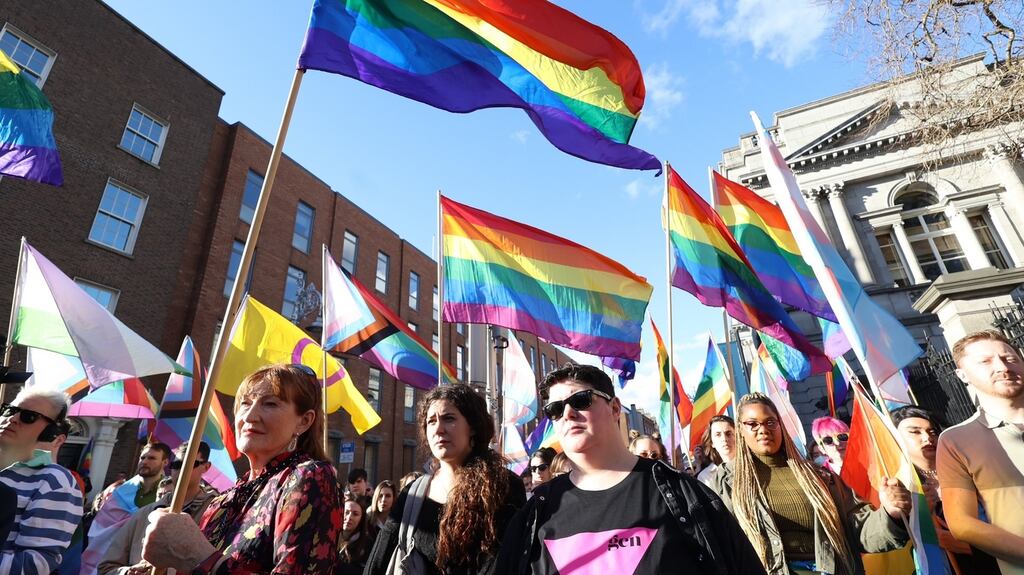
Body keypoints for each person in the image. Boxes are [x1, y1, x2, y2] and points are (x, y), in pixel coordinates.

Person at [497, 363, 764, 575]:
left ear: (615, 408)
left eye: (580, 400)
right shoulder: (535, 515)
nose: (567, 414)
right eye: (555, 409)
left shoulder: (685, 497)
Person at [141, 364, 342, 574]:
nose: (250, 416)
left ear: (304, 421)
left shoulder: (308, 477)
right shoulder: (224, 499)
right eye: (245, 403)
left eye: (270, 404)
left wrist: (200, 555)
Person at [713, 392, 911, 575]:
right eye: (752, 424)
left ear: (781, 426)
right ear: (740, 429)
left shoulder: (820, 476)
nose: (763, 430)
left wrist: (890, 513)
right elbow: (721, 545)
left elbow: (858, 527)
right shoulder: (728, 481)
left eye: (770, 422)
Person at [365, 383, 527, 575]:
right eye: (431, 421)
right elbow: (376, 563)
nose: (438, 429)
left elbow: (504, 563)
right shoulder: (412, 494)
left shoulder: (505, 486)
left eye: (449, 418)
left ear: (473, 427)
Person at [937, 330, 1024, 574]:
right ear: (962, 375)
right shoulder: (956, 440)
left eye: (1010, 358)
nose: (1002, 367)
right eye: (985, 361)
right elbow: (963, 524)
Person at [891, 406, 1000, 575]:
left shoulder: (967, 468)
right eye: (915, 432)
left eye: (932, 431)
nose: (928, 438)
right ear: (896, 439)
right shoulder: (899, 487)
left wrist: (968, 546)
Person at [98, 441, 218, 575]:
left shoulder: (217, 514)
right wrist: (128, 572)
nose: (181, 470)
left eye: (190, 464)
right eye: (177, 465)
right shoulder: (144, 514)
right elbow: (106, 568)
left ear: (206, 467)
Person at [0, 386, 84, 574]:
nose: (12, 419)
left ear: (50, 432)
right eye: (10, 410)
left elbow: (37, 564)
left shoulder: (55, 481)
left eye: (28, 416)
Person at [81, 441, 172, 574]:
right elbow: (100, 528)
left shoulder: (167, 494)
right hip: (110, 558)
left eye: (151, 458)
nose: (145, 462)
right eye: (143, 457)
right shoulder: (120, 491)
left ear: (165, 462)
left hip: (141, 561)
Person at [338, 492, 372, 575]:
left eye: (355, 514)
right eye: (346, 512)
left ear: (361, 518)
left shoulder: (367, 544)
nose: (349, 517)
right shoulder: (329, 538)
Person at [698, 415, 736, 487]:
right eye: (718, 435)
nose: (724, 439)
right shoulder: (706, 476)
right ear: (712, 443)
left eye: (728, 433)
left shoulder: (753, 463)